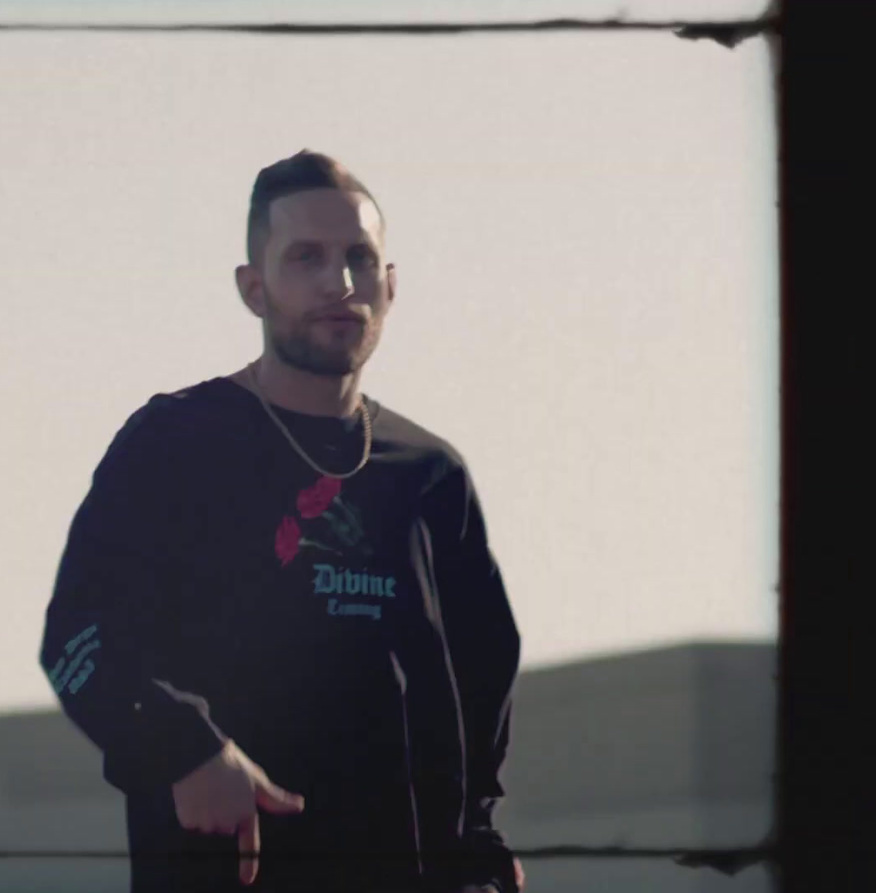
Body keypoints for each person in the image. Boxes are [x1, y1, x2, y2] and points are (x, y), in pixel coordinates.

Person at [38, 150, 523, 893]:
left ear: (391, 286)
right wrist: (185, 750)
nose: (340, 283)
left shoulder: (431, 476)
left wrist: (481, 854)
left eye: (361, 258)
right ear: (253, 287)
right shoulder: (174, 443)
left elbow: (480, 694)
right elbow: (78, 637)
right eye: (306, 258)